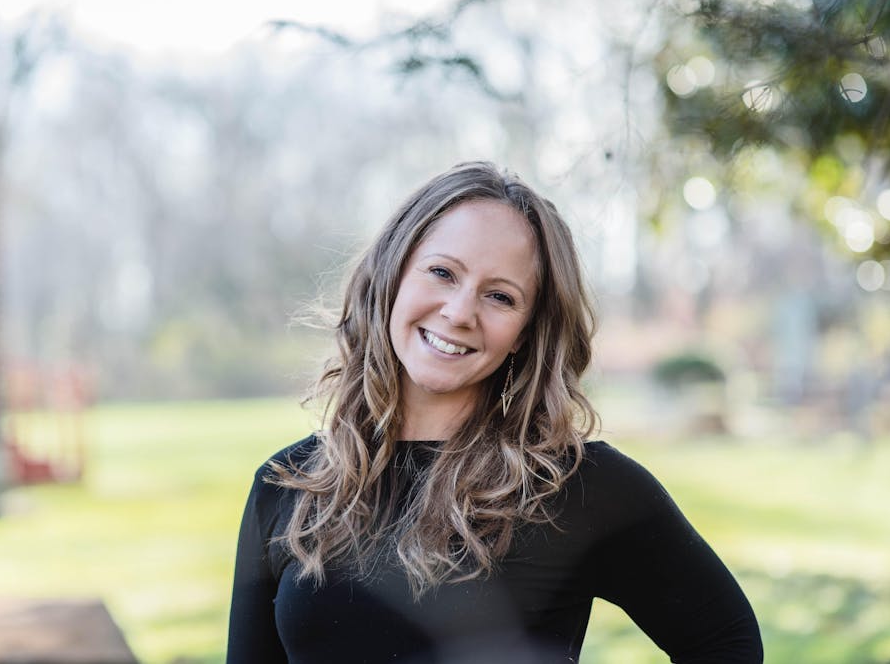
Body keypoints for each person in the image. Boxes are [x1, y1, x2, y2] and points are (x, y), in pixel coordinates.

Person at [227, 161, 762, 663]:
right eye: (442, 272)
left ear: (525, 334)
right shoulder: (289, 484)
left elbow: (727, 644)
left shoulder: (580, 488)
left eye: (500, 297)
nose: (460, 312)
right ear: (392, 276)